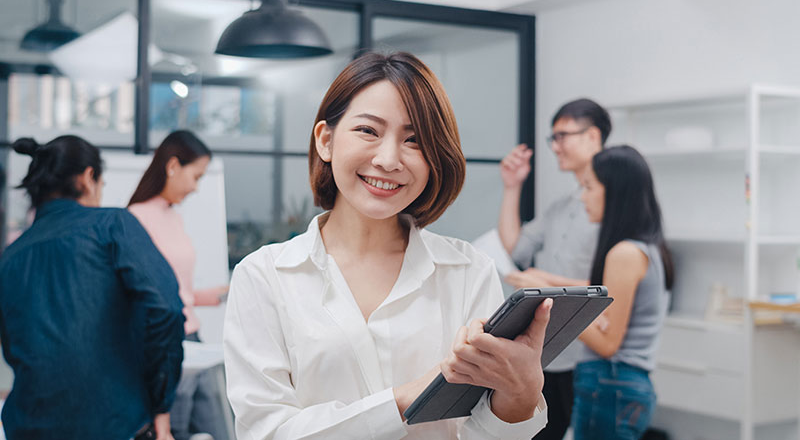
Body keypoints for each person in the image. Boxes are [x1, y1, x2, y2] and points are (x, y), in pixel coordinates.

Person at [223, 51, 552, 440]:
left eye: (415, 140)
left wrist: (521, 393)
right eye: (368, 131)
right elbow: (265, 433)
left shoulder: (466, 270)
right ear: (325, 140)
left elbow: (482, 432)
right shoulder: (264, 276)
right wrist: (403, 399)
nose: (389, 159)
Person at [0, 136, 184, 440]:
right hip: (114, 422)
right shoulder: (112, 224)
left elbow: (14, 347)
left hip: (27, 426)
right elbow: (166, 308)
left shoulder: (10, 256)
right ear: (88, 178)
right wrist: (161, 406)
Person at [497, 98, 610, 440]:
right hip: (547, 351)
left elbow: (616, 286)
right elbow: (516, 247)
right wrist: (512, 186)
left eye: (563, 136)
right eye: (554, 138)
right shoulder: (560, 206)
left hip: (588, 354)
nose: (555, 146)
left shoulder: (614, 205)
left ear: (592, 137)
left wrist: (544, 281)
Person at [128, 130, 229, 440]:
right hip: (165, 344)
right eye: (196, 176)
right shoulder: (134, 220)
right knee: (177, 431)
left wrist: (217, 295)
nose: (197, 187)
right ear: (172, 166)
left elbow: (175, 289)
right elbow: (143, 297)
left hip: (193, 339)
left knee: (218, 429)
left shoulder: (173, 217)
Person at [573, 145, 674, 440]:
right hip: (627, 386)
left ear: (615, 192)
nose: (583, 197)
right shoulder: (651, 248)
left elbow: (607, 343)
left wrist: (555, 310)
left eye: (589, 187)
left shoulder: (624, 253)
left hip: (609, 383)